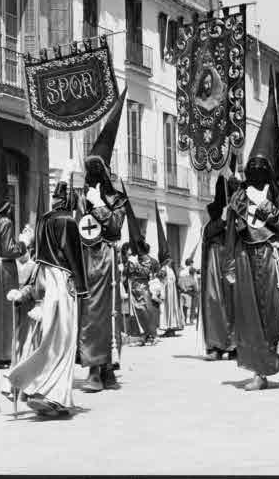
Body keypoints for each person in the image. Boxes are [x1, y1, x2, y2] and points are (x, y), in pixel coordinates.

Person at [223, 68, 279, 391]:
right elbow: (232, 229)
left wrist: (268, 210)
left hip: (273, 256)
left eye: (260, 167)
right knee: (252, 316)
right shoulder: (240, 196)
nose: (255, 171)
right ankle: (259, 371)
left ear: (268, 170)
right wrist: (230, 262)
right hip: (248, 258)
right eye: (251, 167)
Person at [5, 178, 86, 418]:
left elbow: (40, 257)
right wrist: (81, 286)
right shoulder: (68, 221)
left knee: (48, 335)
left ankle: (35, 386)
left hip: (45, 276)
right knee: (63, 338)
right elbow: (73, 254)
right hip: (63, 279)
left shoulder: (42, 220)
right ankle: (53, 395)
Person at [77, 89, 128, 393]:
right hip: (87, 261)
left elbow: (116, 227)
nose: (93, 177)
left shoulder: (116, 198)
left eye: (98, 170)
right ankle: (95, 365)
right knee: (91, 312)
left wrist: (99, 205)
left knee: (108, 312)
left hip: (107, 259)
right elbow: (76, 226)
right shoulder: (82, 196)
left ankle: (106, 368)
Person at [0, 100, 27, 368]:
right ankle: (5, 353)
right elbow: (11, 249)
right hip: (5, 271)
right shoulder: (5, 223)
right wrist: (25, 243)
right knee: (6, 313)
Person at [201, 175, 235, 360]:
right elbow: (211, 234)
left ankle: (234, 344)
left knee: (232, 302)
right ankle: (216, 344)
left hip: (231, 260)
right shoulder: (211, 226)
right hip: (215, 262)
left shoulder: (233, 217)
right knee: (214, 301)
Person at [121, 186, 160, 347]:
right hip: (133, 288)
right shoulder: (133, 257)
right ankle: (142, 337)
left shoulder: (145, 259)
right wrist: (128, 266)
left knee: (146, 312)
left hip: (143, 288)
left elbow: (145, 271)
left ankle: (152, 335)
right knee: (136, 314)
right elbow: (127, 272)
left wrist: (135, 265)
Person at [155, 202, 183, 337]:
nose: (171, 260)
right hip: (167, 293)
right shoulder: (165, 269)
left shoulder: (169, 269)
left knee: (170, 310)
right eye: (169, 259)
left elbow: (170, 280)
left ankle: (171, 327)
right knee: (166, 310)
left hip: (171, 294)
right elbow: (160, 278)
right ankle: (168, 328)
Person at [178, 259, 199, 325]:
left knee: (185, 306)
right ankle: (191, 320)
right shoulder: (192, 270)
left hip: (184, 290)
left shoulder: (182, 271)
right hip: (192, 289)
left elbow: (180, 281)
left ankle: (184, 320)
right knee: (193, 305)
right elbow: (195, 280)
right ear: (191, 263)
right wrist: (197, 289)